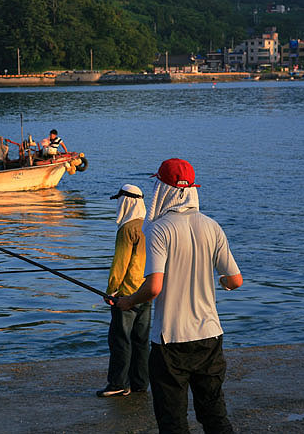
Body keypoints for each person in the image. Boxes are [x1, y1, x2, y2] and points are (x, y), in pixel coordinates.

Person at [108, 158, 242, 434]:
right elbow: (235, 280)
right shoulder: (212, 226)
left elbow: (154, 287)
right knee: (215, 416)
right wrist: (222, 282)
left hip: (171, 341)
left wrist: (128, 301)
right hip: (210, 337)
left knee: (173, 422)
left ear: (163, 189)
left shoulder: (159, 229)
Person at [96, 184, 151, 398]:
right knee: (141, 340)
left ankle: (118, 383)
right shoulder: (149, 225)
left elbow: (120, 264)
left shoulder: (127, 229)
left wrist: (111, 291)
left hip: (126, 295)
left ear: (125, 202)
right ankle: (140, 383)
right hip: (146, 291)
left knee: (121, 339)